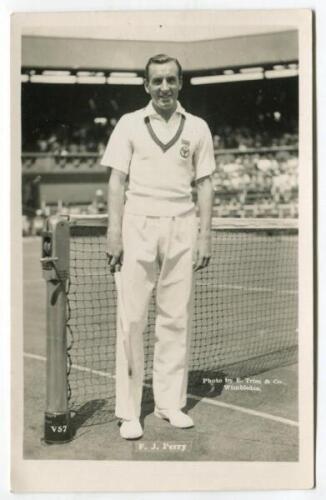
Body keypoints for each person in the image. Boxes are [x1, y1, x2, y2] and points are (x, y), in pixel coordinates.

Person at [101, 54, 215, 439]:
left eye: (171, 80)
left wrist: (204, 234)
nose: (164, 87)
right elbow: (117, 181)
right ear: (146, 86)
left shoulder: (197, 127)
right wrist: (114, 232)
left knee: (175, 319)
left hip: (182, 224)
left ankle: (169, 404)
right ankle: (129, 411)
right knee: (131, 320)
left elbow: (205, 185)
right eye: (157, 81)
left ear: (181, 83)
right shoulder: (129, 124)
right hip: (138, 225)